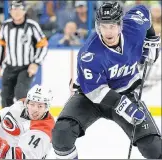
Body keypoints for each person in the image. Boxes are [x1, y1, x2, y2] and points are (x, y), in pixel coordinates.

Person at [52, 2, 161, 159]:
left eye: (112, 26)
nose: (108, 31)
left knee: (154, 149)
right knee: (62, 135)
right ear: (97, 26)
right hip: (89, 97)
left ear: (120, 24)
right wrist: (127, 108)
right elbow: (96, 93)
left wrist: (151, 38)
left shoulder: (134, 27)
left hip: (126, 92)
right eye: (104, 26)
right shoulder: (89, 53)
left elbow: (144, 12)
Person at [0, 84, 55, 159]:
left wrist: (2, 151)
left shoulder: (44, 130)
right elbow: (6, 112)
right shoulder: (21, 104)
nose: (34, 109)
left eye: (40, 106)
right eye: (32, 104)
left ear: (47, 108)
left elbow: (28, 157)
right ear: (27, 103)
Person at [0, 0, 48, 108]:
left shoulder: (32, 26)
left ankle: (23, 118)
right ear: (10, 11)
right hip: (9, 67)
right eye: (14, 9)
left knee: (21, 93)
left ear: (24, 11)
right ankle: (8, 120)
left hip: (26, 67)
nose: (17, 12)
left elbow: (43, 44)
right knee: (5, 96)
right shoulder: (5, 26)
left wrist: (36, 63)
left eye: (19, 9)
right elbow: (0, 44)